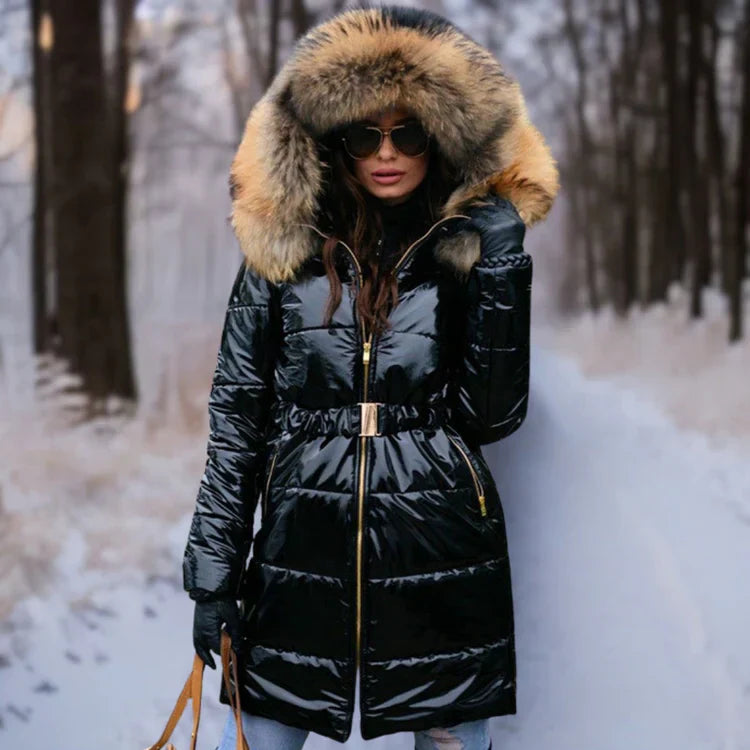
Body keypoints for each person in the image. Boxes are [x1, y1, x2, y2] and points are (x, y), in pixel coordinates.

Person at [182, 5, 559, 750]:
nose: (387, 152)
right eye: (365, 133)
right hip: (299, 548)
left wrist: (504, 270)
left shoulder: (468, 257)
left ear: (439, 138)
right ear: (334, 140)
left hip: (441, 547)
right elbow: (238, 420)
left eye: (408, 132)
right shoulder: (283, 257)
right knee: (259, 736)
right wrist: (214, 575)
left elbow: (491, 417)